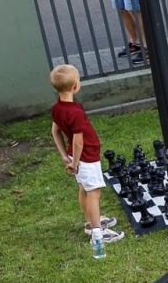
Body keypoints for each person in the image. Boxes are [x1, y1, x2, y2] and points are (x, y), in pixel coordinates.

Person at [48, 64, 123, 245]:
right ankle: (98, 234)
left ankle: (91, 223)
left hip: (74, 157)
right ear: (75, 86)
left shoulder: (57, 108)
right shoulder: (76, 112)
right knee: (94, 192)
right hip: (86, 157)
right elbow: (78, 142)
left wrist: (65, 156)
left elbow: (55, 132)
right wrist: (75, 163)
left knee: (84, 188)